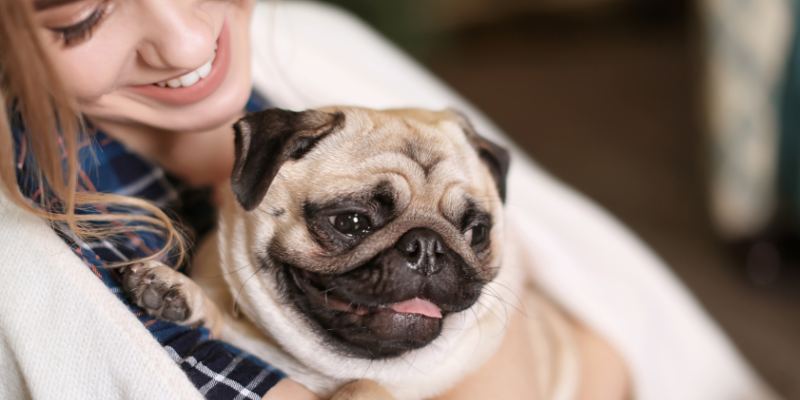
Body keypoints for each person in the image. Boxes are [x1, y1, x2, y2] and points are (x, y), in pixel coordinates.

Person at [0, 0, 780, 399]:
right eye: (83, 16)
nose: (179, 37)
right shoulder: (47, 212)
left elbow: (600, 336)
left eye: (462, 228)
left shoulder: (300, 43)